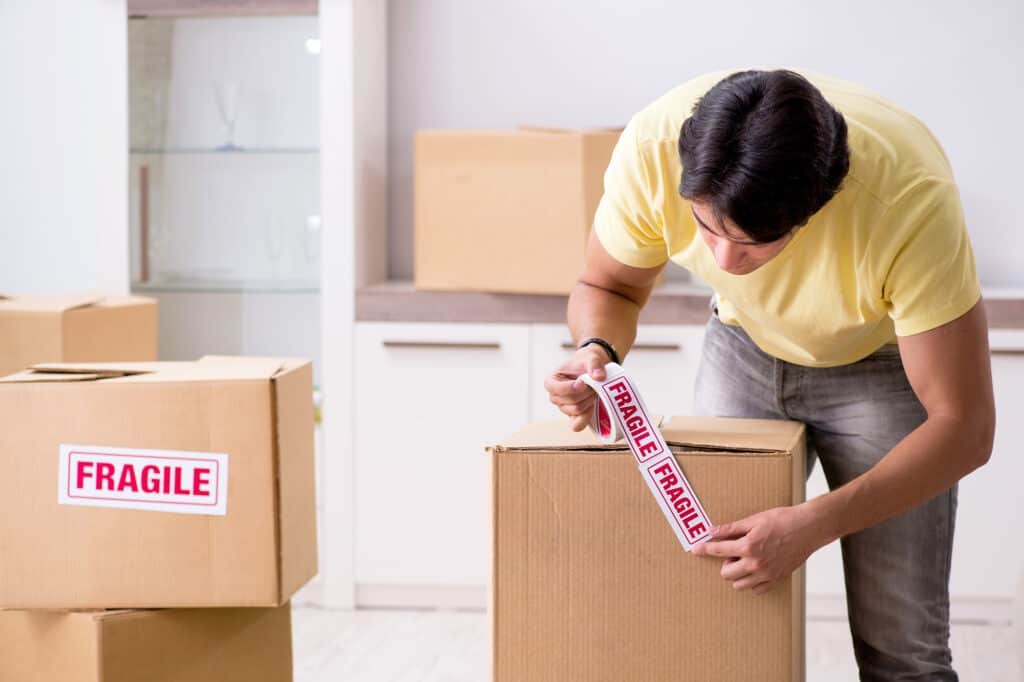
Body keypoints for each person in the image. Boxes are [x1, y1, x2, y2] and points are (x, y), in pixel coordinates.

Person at [543, 69, 995, 681]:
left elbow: (965, 428)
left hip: (882, 365)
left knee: (902, 646)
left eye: (754, 243)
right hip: (741, 347)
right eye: (706, 227)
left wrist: (816, 523)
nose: (724, 261)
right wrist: (596, 348)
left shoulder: (907, 198)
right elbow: (607, 284)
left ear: (815, 206)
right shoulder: (651, 152)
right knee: (720, 613)